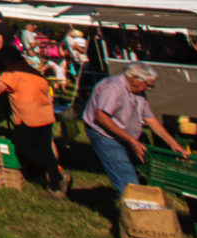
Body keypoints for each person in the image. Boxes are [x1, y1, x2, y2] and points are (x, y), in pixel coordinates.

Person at [82, 63, 191, 193]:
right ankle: (134, 208)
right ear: (134, 78)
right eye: (148, 85)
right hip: (104, 134)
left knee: (138, 170)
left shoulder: (138, 92)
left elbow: (150, 119)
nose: (149, 89)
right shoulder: (113, 87)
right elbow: (101, 117)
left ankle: (137, 201)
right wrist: (132, 141)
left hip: (124, 135)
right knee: (126, 176)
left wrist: (173, 144)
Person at [0, 49, 66, 195]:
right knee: (45, 148)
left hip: (28, 117)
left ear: (8, 60)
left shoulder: (13, 73)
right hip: (44, 114)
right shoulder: (33, 71)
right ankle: (55, 182)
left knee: (24, 147)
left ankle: (49, 172)